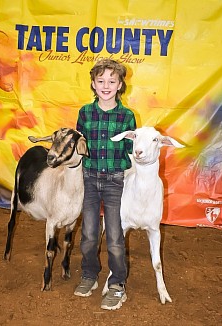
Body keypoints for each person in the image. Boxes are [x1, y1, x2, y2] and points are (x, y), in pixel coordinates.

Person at [74, 58, 137, 310]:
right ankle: (89, 274)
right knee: (88, 234)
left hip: (115, 183)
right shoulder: (85, 113)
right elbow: (79, 146)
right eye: (101, 81)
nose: (106, 85)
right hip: (89, 180)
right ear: (93, 84)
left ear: (120, 84)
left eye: (112, 81)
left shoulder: (127, 116)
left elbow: (133, 151)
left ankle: (117, 284)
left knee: (114, 236)